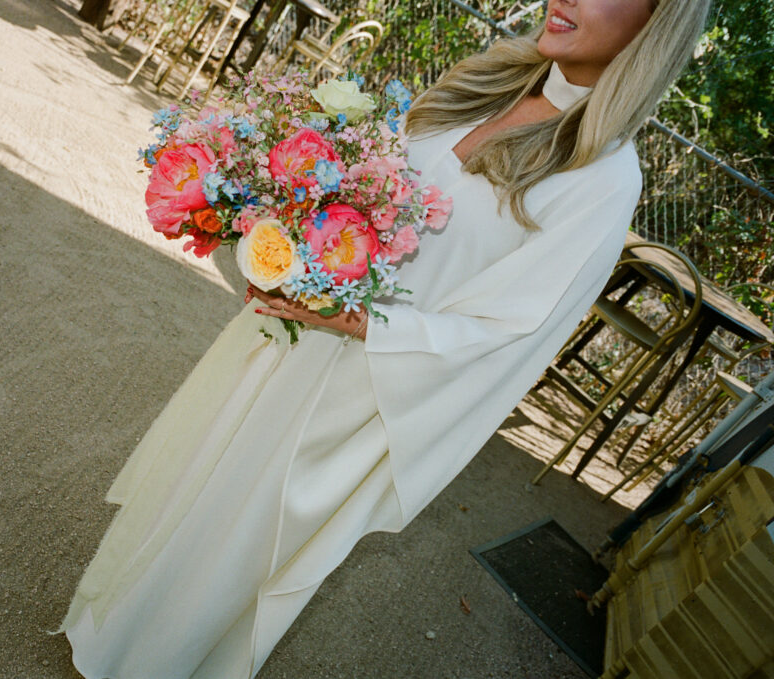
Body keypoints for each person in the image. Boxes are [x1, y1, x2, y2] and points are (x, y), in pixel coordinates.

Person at [59, 0, 711, 676]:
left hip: (361, 389)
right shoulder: (484, 84)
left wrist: (362, 320)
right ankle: (110, 633)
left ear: (656, 26)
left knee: (236, 540)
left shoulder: (602, 178)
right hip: (291, 334)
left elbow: (506, 334)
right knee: (198, 483)